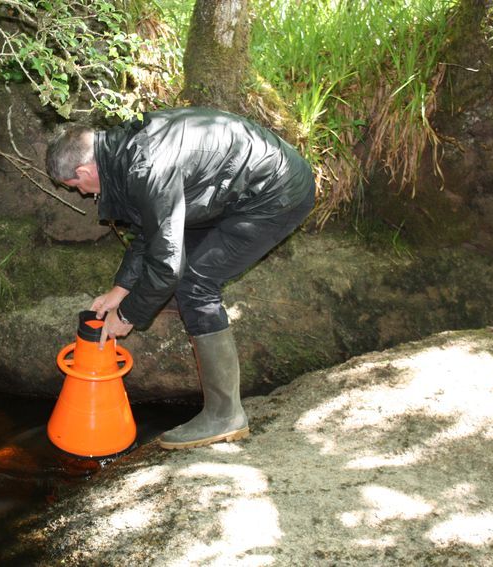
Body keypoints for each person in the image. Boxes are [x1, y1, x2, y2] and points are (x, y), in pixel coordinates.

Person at [45, 107, 315, 450]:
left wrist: (128, 316)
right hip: (233, 190)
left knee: (195, 284)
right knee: (176, 273)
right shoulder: (122, 152)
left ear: (83, 170)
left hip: (275, 192)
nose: (83, 193)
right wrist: (121, 288)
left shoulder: (147, 168)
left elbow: (167, 264)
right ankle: (178, 309)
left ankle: (225, 415)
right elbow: (152, 228)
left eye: (76, 185)